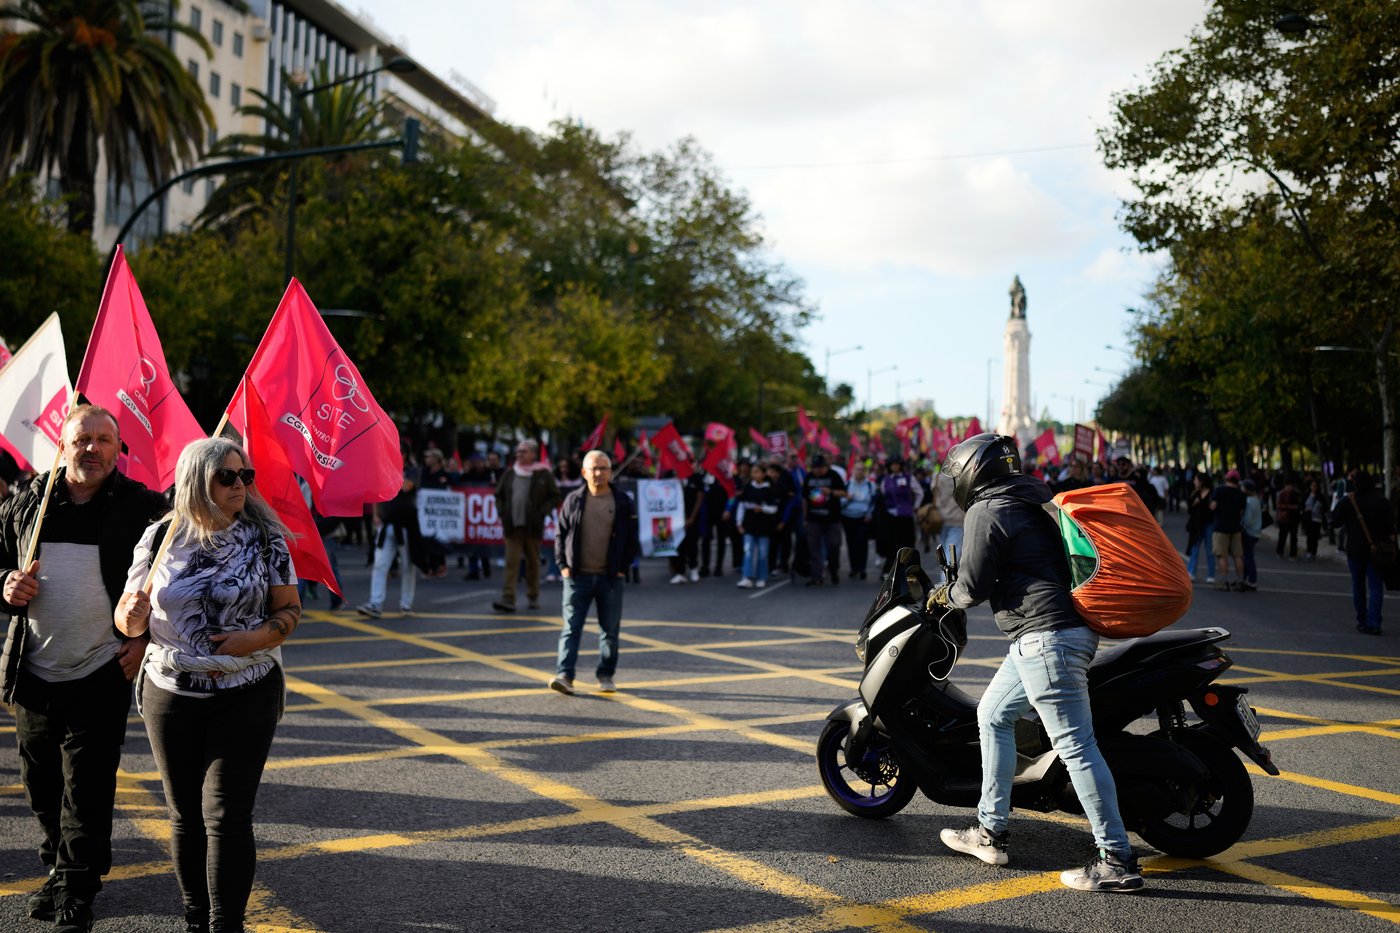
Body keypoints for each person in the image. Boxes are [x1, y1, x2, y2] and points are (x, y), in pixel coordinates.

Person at [927, 433, 1142, 892]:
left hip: (1046, 638)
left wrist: (941, 595)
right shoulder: (1033, 497)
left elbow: (972, 586)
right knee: (993, 716)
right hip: (1055, 633)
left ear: (972, 473)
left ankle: (1117, 859)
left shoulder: (988, 509)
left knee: (1076, 745)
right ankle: (990, 833)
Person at [114, 437, 299, 933]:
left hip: (247, 687)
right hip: (171, 691)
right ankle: (195, 919)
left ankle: (226, 925)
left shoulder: (266, 539)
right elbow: (130, 618)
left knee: (226, 815)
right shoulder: (158, 538)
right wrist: (129, 617)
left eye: (246, 476)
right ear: (197, 480)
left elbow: (290, 611)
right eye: (227, 476)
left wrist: (255, 639)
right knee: (184, 815)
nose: (240, 484)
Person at [0, 405, 167, 932]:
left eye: (103, 440)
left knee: (87, 787)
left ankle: (76, 890)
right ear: (62, 446)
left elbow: (171, 584)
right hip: (34, 670)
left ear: (118, 450)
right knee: (40, 785)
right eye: (82, 439)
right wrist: (5, 583)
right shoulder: (31, 500)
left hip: (101, 669)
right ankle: (64, 866)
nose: (92, 448)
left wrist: (143, 641)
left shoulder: (142, 508)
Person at [549, 451, 639, 694]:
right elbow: (560, 534)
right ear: (584, 472)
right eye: (594, 468)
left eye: (604, 468)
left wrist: (622, 569)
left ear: (610, 471)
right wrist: (563, 566)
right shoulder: (574, 500)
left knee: (609, 630)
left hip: (610, 578)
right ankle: (565, 675)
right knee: (571, 628)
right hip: (577, 577)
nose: (599, 473)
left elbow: (632, 538)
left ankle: (605, 675)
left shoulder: (622, 502)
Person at [493, 440, 562, 613]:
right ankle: (508, 598)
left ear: (533, 454)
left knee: (533, 563)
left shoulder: (543, 474)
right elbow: (499, 495)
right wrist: (503, 512)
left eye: (523, 452)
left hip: (532, 526)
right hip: (512, 526)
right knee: (512, 562)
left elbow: (555, 496)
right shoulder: (510, 473)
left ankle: (533, 595)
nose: (519, 455)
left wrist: (542, 512)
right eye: (518, 452)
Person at [357, 468, 428, 618]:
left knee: (407, 566)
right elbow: (377, 492)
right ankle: (375, 604)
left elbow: (406, 486)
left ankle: (406, 603)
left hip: (405, 526)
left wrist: (390, 474)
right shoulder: (386, 469)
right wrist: (376, 515)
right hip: (387, 524)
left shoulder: (412, 470)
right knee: (380, 564)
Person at [1330, 470, 1393, 635]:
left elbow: (1334, 521)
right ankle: (1374, 622)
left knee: (1358, 585)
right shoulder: (1382, 501)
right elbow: (1390, 527)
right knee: (1375, 585)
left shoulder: (1349, 500)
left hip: (1355, 549)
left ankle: (1362, 620)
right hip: (1377, 550)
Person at [802, 455, 847, 587]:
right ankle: (816, 576)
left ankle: (833, 570)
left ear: (825, 467)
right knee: (814, 548)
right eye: (814, 468)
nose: (816, 471)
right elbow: (804, 498)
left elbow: (844, 493)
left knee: (834, 545)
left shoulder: (834, 475)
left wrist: (831, 492)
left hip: (832, 519)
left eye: (819, 468)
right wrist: (805, 518)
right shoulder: (809, 477)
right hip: (814, 519)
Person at [736, 462, 782, 589]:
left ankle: (762, 577)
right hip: (749, 525)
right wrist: (739, 522)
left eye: (757, 472)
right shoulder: (748, 488)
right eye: (753, 472)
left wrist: (762, 508)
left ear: (763, 474)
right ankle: (747, 576)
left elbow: (774, 509)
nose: (754, 474)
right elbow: (741, 505)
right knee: (748, 551)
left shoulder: (769, 489)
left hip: (764, 526)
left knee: (762, 553)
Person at [879, 457, 922, 574]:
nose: (895, 466)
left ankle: (910, 570)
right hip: (891, 517)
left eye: (897, 464)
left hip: (906, 516)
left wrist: (915, 506)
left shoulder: (909, 478)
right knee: (892, 544)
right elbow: (883, 496)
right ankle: (890, 570)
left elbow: (919, 493)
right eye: (892, 464)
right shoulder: (886, 480)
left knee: (907, 543)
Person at [1211, 470, 1248, 590]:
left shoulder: (1219, 490)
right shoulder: (1241, 494)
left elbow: (1213, 506)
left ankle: (1224, 580)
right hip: (1236, 527)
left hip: (1221, 527)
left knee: (1222, 555)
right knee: (1237, 556)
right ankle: (1240, 580)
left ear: (1226, 478)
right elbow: (1242, 511)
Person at [840, 462, 876, 581]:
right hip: (848, 517)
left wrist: (869, 514)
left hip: (863, 518)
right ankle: (853, 568)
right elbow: (840, 503)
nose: (859, 472)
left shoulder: (870, 485)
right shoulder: (847, 485)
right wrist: (848, 499)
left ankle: (862, 568)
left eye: (862, 470)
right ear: (853, 471)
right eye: (857, 469)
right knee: (851, 543)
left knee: (862, 543)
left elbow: (873, 502)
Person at [933, 463, 965, 581]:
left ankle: (945, 585)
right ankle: (946, 587)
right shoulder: (963, 478)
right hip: (957, 520)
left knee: (943, 557)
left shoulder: (938, 476)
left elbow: (934, 492)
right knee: (952, 559)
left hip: (940, 520)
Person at [1185, 472, 1215, 582]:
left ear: (1201, 481)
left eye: (1196, 480)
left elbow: (1213, 510)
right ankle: (1191, 572)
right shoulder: (1195, 493)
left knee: (1209, 550)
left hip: (1208, 524)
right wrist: (1194, 504)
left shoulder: (1211, 494)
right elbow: (1190, 510)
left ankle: (1211, 575)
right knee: (1195, 548)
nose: (1194, 481)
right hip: (1197, 525)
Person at [1240, 478, 1262, 592]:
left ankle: (1251, 580)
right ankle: (1248, 579)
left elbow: (1247, 520)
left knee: (1248, 557)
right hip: (1256, 532)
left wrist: (1241, 524)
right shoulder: (1256, 499)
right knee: (1248, 556)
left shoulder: (1249, 502)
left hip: (1250, 532)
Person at [1274, 476, 1302, 560]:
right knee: (1282, 536)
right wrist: (1290, 507)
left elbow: (1299, 505)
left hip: (1294, 518)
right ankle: (1280, 552)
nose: (1290, 487)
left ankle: (1293, 554)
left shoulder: (1297, 494)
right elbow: (1278, 505)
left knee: (1293, 537)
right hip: (1284, 517)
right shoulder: (1282, 494)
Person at [1303, 478, 1326, 561]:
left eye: (1315, 486)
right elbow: (1303, 505)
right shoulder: (1307, 495)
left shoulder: (1320, 497)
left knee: (1315, 537)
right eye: (1312, 486)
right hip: (1308, 518)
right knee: (1309, 536)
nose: (1313, 487)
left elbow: (1324, 507)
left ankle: (1313, 552)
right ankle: (1309, 551)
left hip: (1317, 519)